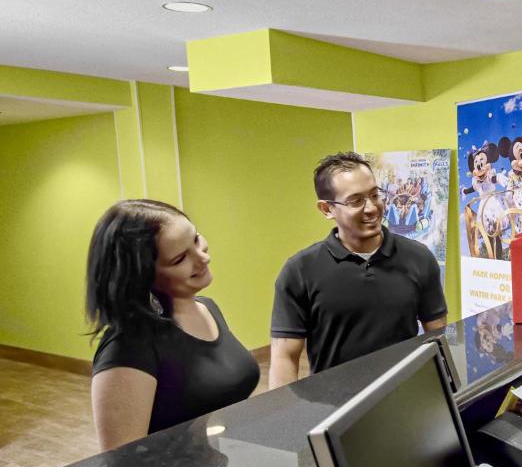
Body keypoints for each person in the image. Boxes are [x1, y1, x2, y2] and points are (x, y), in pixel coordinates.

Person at [86, 200, 259, 451]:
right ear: (142, 276)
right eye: (180, 259)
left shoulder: (208, 308)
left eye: (196, 240)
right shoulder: (129, 348)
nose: (203, 257)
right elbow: (120, 462)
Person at [268, 152, 448, 388]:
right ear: (327, 209)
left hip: (405, 395)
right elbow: (284, 357)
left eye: (375, 195)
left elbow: (437, 335)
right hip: (333, 403)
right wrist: (283, 411)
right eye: (355, 201)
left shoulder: (419, 258)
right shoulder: (299, 271)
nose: (372, 208)